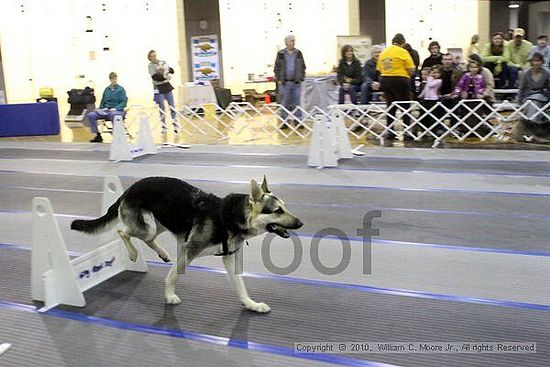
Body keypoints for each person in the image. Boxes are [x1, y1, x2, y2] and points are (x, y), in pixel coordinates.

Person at [376, 33, 416, 146]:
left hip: (385, 80)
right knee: (405, 106)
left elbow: (379, 69)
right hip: (400, 80)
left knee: (391, 106)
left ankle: (390, 131)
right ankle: (407, 132)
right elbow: (411, 69)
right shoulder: (403, 51)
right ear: (402, 43)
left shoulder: (383, 52)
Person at [514, 52, 550, 142]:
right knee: (531, 103)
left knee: (535, 101)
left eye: (538, 61)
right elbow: (521, 88)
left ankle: (531, 123)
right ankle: (533, 127)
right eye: (534, 61)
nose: (536, 63)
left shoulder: (547, 73)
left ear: (542, 62)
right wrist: (519, 102)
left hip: (543, 96)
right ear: (531, 62)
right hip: (528, 97)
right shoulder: (526, 73)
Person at [273, 34, 306, 127]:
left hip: (296, 82)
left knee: (297, 102)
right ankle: (284, 121)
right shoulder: (281, 54)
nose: (293, 42)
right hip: (284, 82)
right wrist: (279, 79)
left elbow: (303, 66)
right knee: (284, 102)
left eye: (294, 40)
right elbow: (276, 67)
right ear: (286, 42)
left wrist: (301, 77)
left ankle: (298, 121)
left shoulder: (299, 53)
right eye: (291, 41)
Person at [86, 72, 127, 143]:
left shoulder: (121, 89)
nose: (114, 80)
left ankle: (117, 135)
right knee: (91, 115)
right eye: (112, 79)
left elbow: (124, 102)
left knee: (113, 114)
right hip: (106, 110)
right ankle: (98, 135)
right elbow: (103, 101)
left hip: (117, 110)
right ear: (110, 79)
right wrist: (99, 109)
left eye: (115, 78)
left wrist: (116, 108)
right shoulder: (106, 90)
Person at [148, 50, 178, 134]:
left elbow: (171, 70)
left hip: (167, 86)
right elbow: (155, 77)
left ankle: (175, 125)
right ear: (150, 58)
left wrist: (168, 71)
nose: (154, 57)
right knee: (162, 108)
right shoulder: (150, 66)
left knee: (172, 106)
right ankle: (164, 126)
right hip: (158, 88)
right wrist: (165, 76)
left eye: (155, 55)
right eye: (152, 56)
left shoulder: (162, 62)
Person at [418, 65, 444, 137]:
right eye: (434, 72)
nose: (435, 74)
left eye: (437, 73)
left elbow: (430, 85)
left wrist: (429, 77)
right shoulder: (428, 80)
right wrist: (421, 95)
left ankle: (434, 131)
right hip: (426, 100)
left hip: (433, 100)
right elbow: (425, 89)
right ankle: (424, 130)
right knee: (424, 116)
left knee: (433, 116)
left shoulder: (439, 81)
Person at [439, 53, 464, 129]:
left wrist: (452, 94)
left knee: (455, 103)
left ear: (452, 60)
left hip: (454, 96)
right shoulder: (437, 71)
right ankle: (439, 128)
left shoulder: (458, 72)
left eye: (449, 59)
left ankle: (454, 128)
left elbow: (460, 86)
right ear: (442, 61)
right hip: (440, 96)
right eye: (445, 59)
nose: (447, 61)